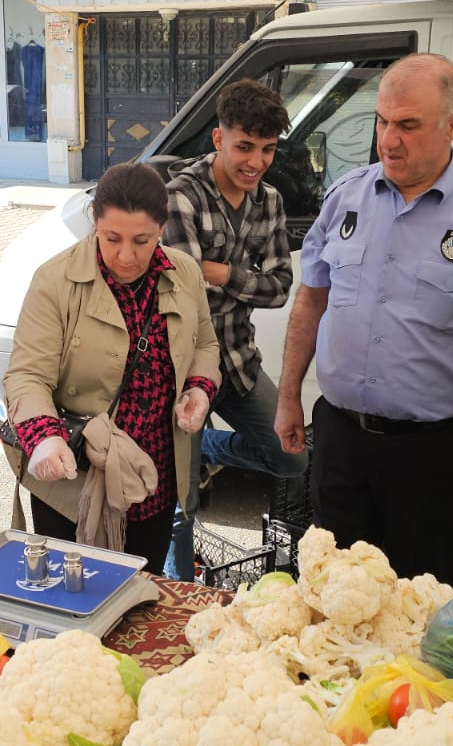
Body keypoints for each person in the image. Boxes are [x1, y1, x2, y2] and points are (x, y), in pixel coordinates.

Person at [272, 53, 453, 584]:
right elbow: (311, 301)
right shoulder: (345, 199)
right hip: (341, 443)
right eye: (382, 121)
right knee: (331, 597)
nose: (389, 140)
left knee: (418, 606)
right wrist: (287, 397)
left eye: (409, 125)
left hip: (432, 458)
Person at [4, 163, 221, 573]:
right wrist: (45, 440)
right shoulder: (55, 281)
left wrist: (199, 388)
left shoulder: (185, 273)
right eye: (112, 238)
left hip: (154, 474)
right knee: (73, 596)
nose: (126, 255)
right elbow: (27, 374)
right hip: (77, 477)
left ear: (162, 228)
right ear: (94, 222)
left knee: (140, 589)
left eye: (142, 240)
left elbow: (205, 344)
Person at [160, 79, 306, 581]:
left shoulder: (269, 202)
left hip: (239, 359)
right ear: (219, 138)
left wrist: (220, 272)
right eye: (245, 146)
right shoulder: (180, 197)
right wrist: (241, 280)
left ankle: (206, 448)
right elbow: (186, 289)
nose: (257, 161)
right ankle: (180, 600)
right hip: (183, 369)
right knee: (183, 507)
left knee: (292, 458)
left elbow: (281, 287)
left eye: (267, 150)